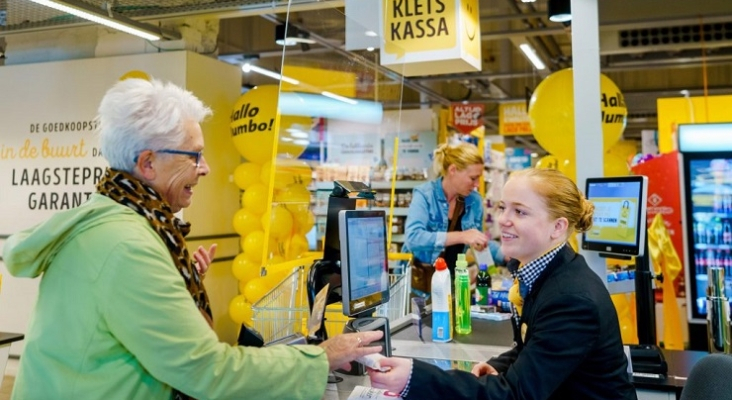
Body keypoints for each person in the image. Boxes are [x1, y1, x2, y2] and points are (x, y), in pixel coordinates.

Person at [3, 78, 382, 400]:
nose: (206, 169)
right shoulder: (126, 244)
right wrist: (321, 358)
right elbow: (205, 370)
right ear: (148, 163)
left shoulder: (117, 221)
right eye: (194, 155)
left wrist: (176, 286)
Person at [369, 168, 637, 400]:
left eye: (520, 211)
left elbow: (514, 394)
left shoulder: (571, 300)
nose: (503, 219)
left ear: (558, 227)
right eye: (502, 207)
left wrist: (414, 378)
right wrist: (498, 364)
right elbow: (532, 347)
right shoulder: (547, 274)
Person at [403, 141, 504, 276]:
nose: (477, 185)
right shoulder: (425, 195)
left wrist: (505, 255)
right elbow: (413, 238)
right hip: (421, 282)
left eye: (478, 178)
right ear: (453, 170)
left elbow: (478, 242)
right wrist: (461, 236)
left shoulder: (474, 201)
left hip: (452, 280)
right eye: (473, 178)